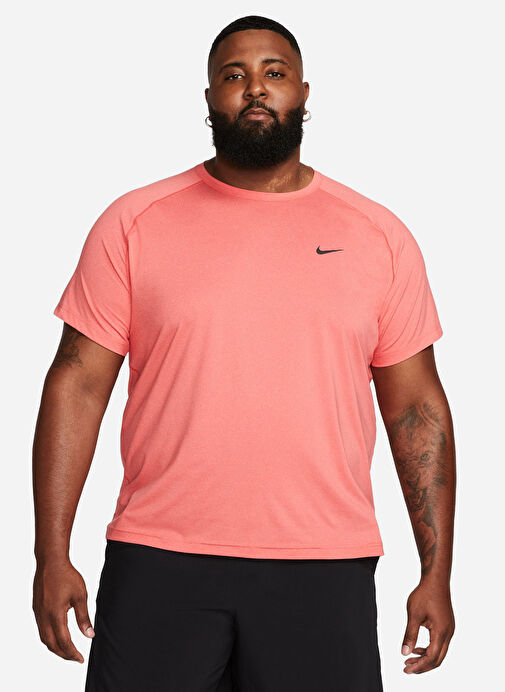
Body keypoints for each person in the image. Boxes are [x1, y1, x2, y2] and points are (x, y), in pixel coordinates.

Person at [32, 14, 456, 691]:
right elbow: (76, 386)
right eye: (234, 75)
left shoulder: (377, 236)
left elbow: (416, 408)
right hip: (160, 556)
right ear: (209, 98)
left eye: (273, 73)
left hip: (323, 563)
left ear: (303, 93)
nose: (255, 88)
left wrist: (436, 573)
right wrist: (51, 554)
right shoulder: (134, 222)